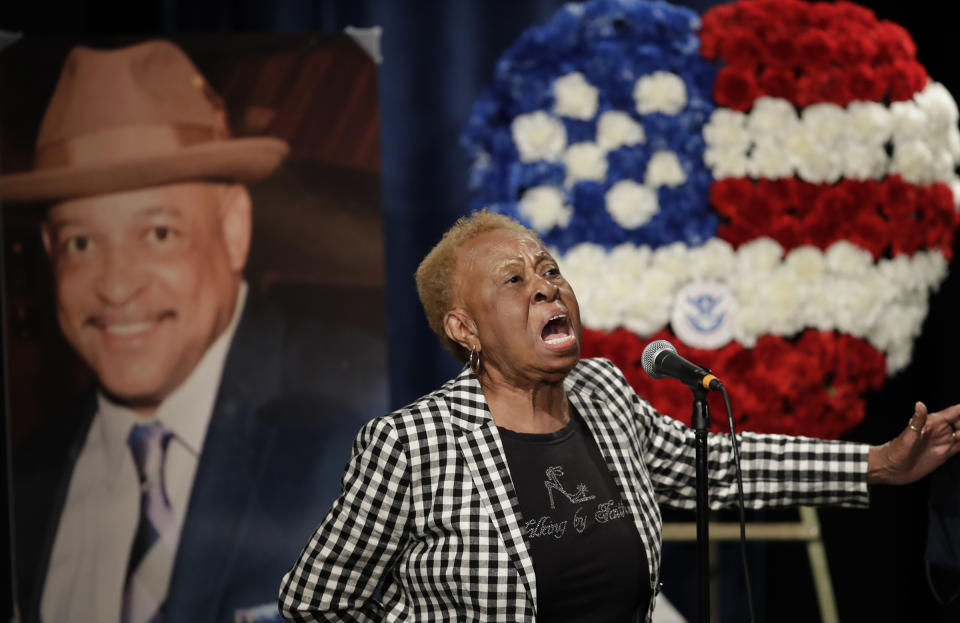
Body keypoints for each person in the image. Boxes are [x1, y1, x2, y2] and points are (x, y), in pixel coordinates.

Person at [278, 210, 960, 622]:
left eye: (548, 269)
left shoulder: (602, 393)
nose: (545, 283)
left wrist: (878, 462)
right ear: (465, 328)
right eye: (513, 279)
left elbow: (718, 464)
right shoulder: (413, 442)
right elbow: (317, 600)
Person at [2, 40, 379, 622]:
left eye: (158, 233)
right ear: (51, 253)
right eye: (81, 242)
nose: (116, 287)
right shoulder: (30, 480)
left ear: (233, 229)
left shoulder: (376, 422)